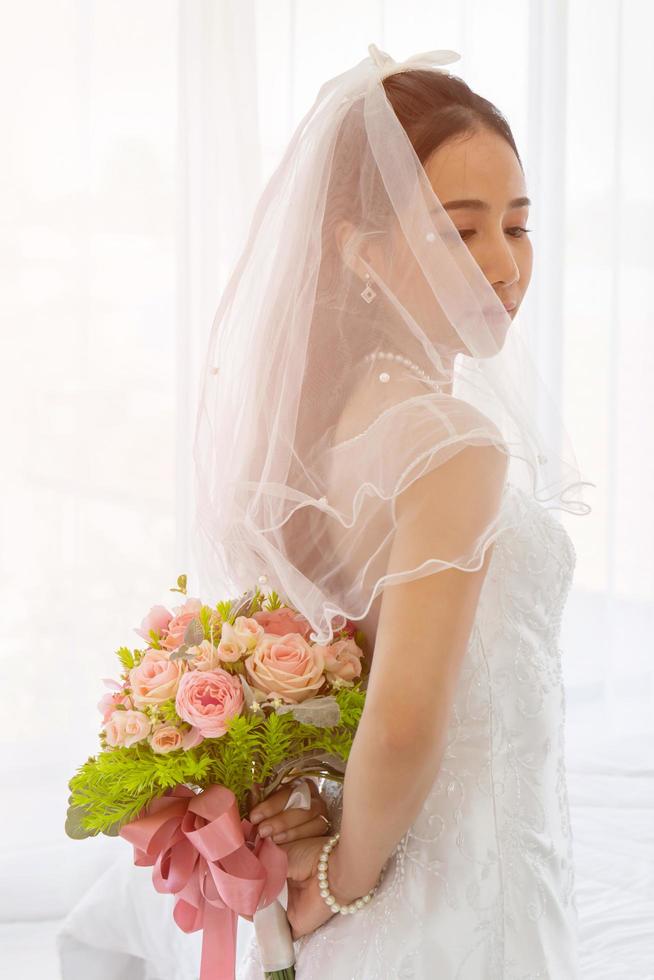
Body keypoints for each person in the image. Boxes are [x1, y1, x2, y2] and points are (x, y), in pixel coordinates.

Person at [193, 42, 593, 980]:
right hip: (456, 900)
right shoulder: (454, 446)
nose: (502, 264)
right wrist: (332, 889)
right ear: (363, 253)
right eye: (461, 231)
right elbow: (405, 719)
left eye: (517, 225)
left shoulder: (339, 429)